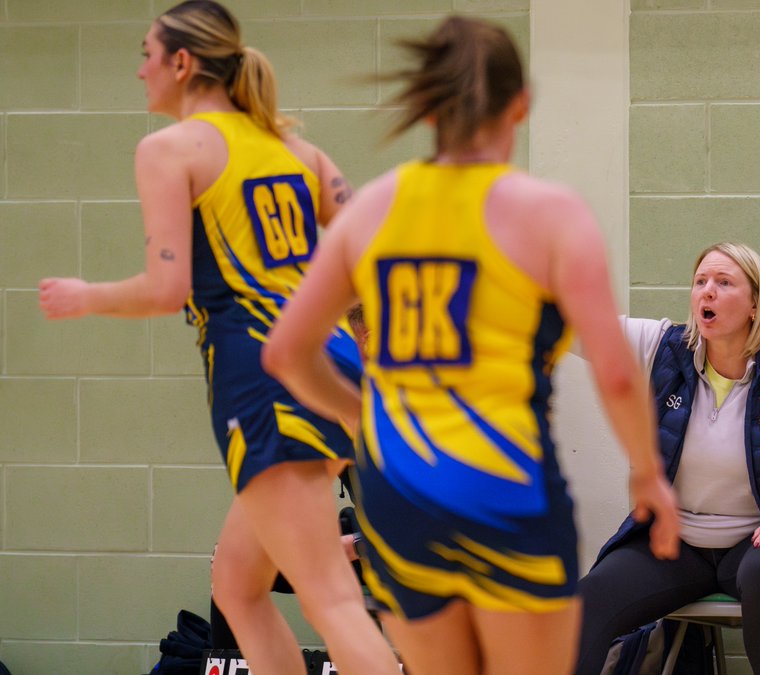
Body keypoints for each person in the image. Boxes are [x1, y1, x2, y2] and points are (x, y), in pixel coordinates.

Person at [261, 16, 680, 675]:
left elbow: (285, 353)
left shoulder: (372, 209)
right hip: (506, 483)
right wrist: (647, 471)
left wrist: (360, 415)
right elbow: (619, 373)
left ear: (428, 107)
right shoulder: (550, 212)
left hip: (399, 492)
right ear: (522, 103)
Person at [37, 2, 399, 673]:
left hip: (264, 374)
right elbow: (366, 266)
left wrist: (87, 296)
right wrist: (369, 350)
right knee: (238, 586)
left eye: (147, 52)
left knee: (330, 597)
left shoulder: (170, 149)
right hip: (334, 370)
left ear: (181, 62)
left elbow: (165, 288)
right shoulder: (300, 150)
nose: (139, 68)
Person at [574, 242, 760, 675]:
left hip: (754, 542)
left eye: (723, 283)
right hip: (676, 542)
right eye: (700, 282)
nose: (707, 292)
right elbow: (579, 327)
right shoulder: (661, 347)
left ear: (756, 303)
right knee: (588, 601)